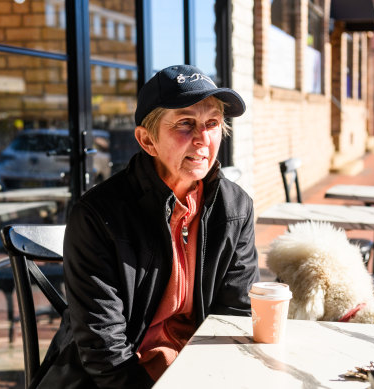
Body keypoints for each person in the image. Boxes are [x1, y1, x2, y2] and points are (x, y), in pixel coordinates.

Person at [32, 64, 260, 388]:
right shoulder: (98, 215)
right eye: (185, 124)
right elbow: (105, 350)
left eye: (212, 123)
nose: (203, 139)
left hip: (199, 370)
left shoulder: (235, 208)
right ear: (147, 140)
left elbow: (236, 313)